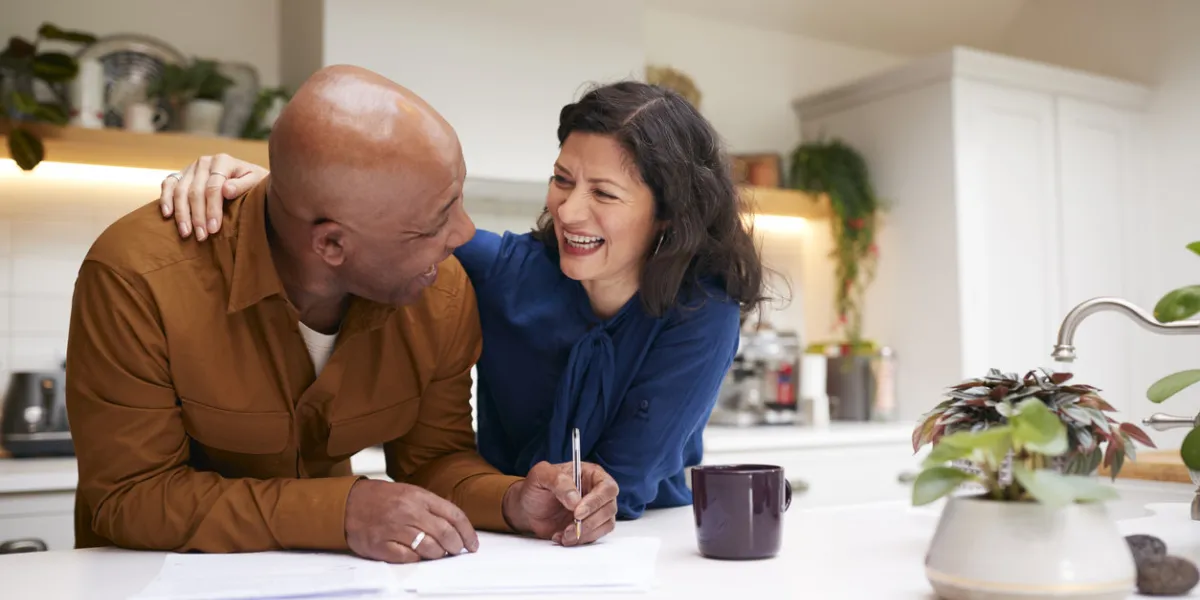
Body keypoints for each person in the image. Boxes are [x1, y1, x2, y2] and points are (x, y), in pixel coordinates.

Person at [65, 64, 619, 564]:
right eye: (433, 223)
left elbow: (434, 460)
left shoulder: (440, 290)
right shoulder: (137, 276)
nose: (464, 235)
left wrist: (513, 499)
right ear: (331, 246)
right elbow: (129, 496)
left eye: (458, 199)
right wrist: (341, 512)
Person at [158, 81, 768, 519]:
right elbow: (377, 221)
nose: (569, 210)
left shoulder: (701, 314)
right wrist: (274, 188)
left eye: (603, 193)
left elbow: (623, 486)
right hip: (501, 525)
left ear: (668, 215)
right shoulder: (507, 272)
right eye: (562, 179)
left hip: (635, 546)